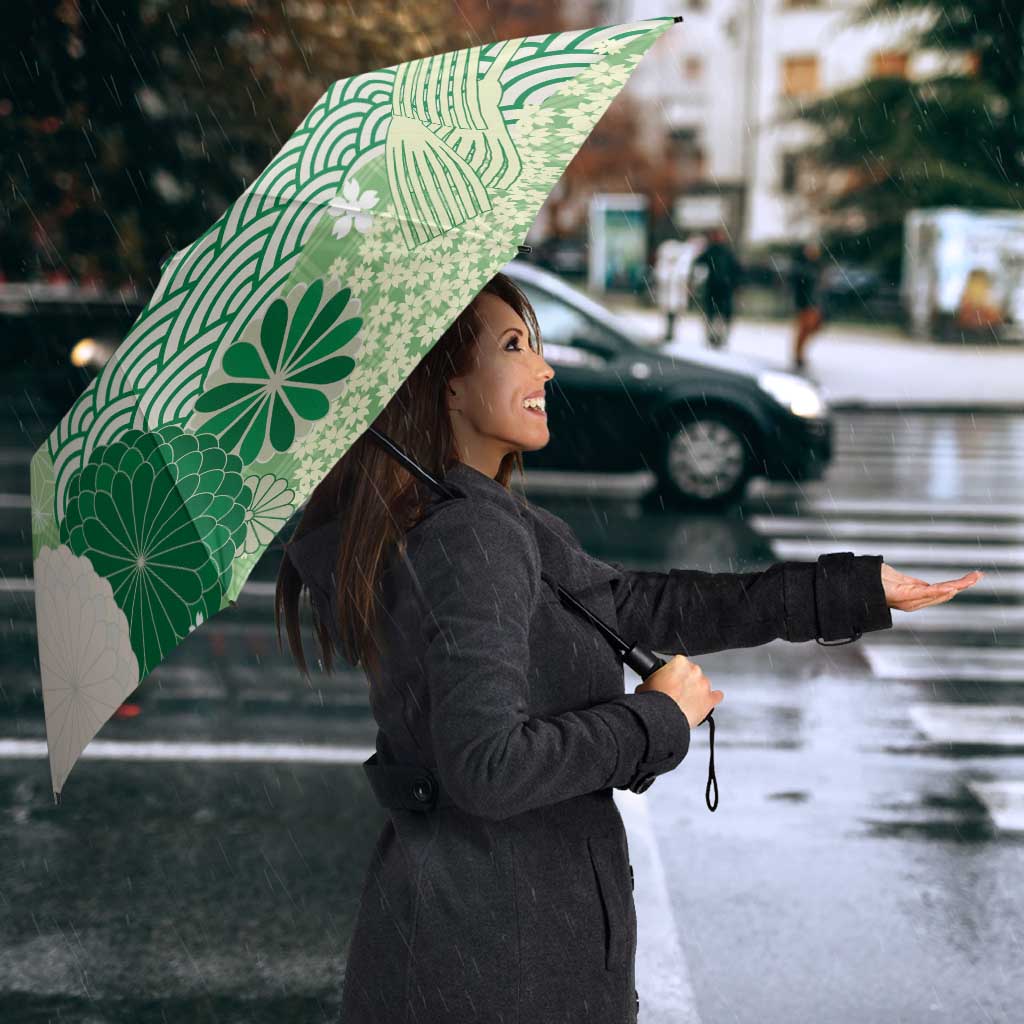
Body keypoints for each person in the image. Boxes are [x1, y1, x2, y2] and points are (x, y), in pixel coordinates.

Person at [276, 271, 973, 1024]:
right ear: (445, 385)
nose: (544, 368)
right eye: (514, 346)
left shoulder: (474, 517)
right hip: (499, 963)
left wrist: (850, 591)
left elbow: (639, 605)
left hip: (476, 943)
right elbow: (487, 768)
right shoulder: (469, 537)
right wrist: (656, 719)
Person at [692, 226, 742, 349]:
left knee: (720, 315)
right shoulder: (712, 251)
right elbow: (698, 264)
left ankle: (719, 337)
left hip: (723, 288)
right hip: (715, 288)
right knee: (713, 314)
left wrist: (735, 284)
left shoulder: (725, 252)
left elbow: (736, 270)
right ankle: (713, 337)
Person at [790, 239, 826, 370]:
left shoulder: (817, 266)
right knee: (804, 329)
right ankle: (798, 355)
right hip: (805, 303)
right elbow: (799, 286)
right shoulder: (802, 267)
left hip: (814, 303)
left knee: (812, 328)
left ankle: (799, 354)